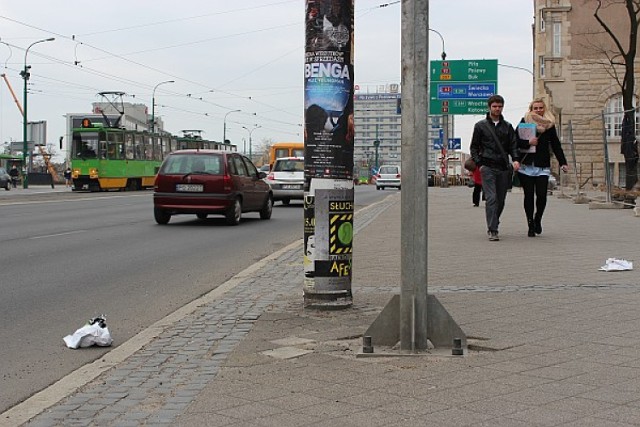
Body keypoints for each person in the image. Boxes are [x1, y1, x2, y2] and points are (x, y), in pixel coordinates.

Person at [470, 95, 520, 241]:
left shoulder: (508, 127)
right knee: (491, 198)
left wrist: (516, 160)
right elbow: (474, 147)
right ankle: (493, 229)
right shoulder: (481, 126)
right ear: (489, 107)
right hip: (487, 167)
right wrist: (480, 163)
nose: (497, 109)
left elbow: (513, 146)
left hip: (503, 168)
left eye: (500, 106)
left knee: (501, 199)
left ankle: (494, 220)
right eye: (494, 106)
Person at [516, 98, 568, 237]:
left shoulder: (549, 125)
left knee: (542, 196)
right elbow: (515, 141)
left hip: (542, 165)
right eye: (535, 108)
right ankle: (530, 224)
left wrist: (563, 162)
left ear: (544, 109)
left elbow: (556, 145)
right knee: (528, 196)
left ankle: (538, 218)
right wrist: (528, 142)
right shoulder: (525, 121)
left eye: (540, 108)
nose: (538, 110)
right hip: (526, 165)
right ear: (531, 110)